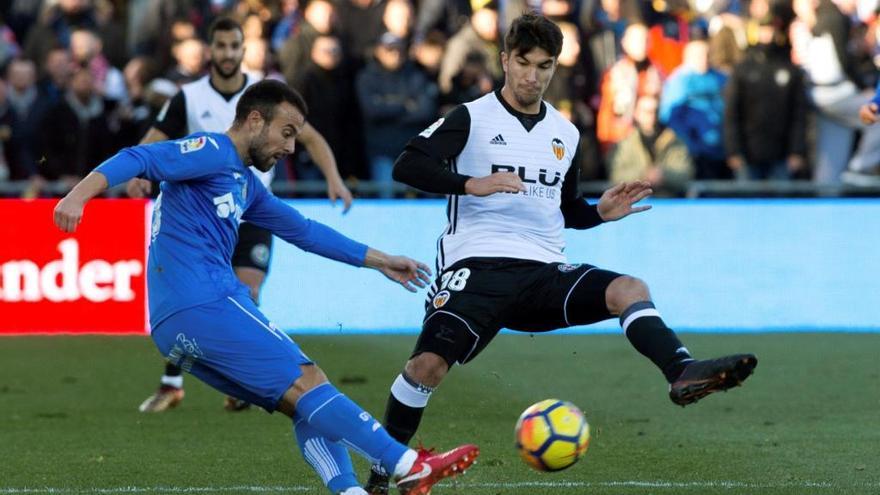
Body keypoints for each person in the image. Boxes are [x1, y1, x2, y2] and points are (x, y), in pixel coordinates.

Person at [363, 13, 758, 494]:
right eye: (523, 63)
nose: (532, 77)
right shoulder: (470, 117)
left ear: (555, 66)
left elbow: (564, 209)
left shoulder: (565, 133)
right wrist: (470, 183)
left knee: (629, 289)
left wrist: (598, 214)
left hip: (544, 271)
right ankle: (384, 471)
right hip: (477, 266)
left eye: (544, 66)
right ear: (505, 60)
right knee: (424, 368)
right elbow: (408, 164)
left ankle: (680, 372)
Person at [52, 79, 479, 495]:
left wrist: (380, 259)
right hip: (204, 301)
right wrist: (79, 195)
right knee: (308, 380)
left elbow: (305, 231)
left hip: (174, 322)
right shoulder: (213, 150)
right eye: (286, 133)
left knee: (301, 398)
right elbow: (138, 156)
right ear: (255, 120)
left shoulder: (245, 183)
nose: (291, 147)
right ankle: (407, 466)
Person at [128, 17, 354, 413]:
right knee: (196, 295)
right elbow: (155, 138)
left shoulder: (263, 95)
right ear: (211, 50)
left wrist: (333, 177)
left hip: (252, 211)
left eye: (235, 46)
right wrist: (138, 175)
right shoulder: (189, 96)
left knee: (247, 291)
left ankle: (240, 380)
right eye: (222, 46)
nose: (229, 53)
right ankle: (172, 383)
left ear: (242, 50)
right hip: (202, 216)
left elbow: (311, 136)